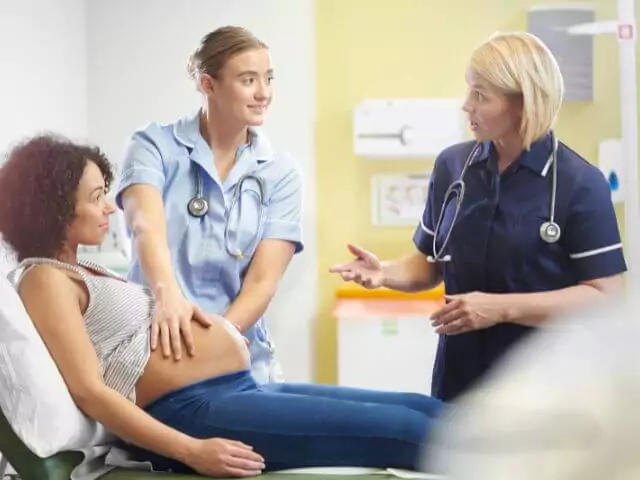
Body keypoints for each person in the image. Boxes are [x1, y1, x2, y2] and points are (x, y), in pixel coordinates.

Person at [0, 134, 445, 477]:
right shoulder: (44, 279)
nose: (109, 209)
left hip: (233, 389)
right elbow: (89, 391)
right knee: (410, 433)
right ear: (55, 207)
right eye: (97, 197)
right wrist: (190, 449)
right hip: (190, 412)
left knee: (420, 410)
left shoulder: (83, 269)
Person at [331, 31, 626, 402]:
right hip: (460, 380)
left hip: (547, 388)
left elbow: (604, 296)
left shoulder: (580, 182)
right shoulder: (453, 166)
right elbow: (428, 264)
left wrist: (498, 309)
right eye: (470, 90)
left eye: (481, 95)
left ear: (524, 102)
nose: (466, 105)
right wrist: (384, 272)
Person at [115, 26, 302, 383]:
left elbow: (263, 281)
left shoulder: (281, 172)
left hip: (240, 356)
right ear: (208, 85)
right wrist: (167, 298)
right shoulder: (153, 146)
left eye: (268, 78)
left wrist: (214, 343)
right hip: (157, 352)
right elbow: (146, 227)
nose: (263, 93)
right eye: (248, 80)